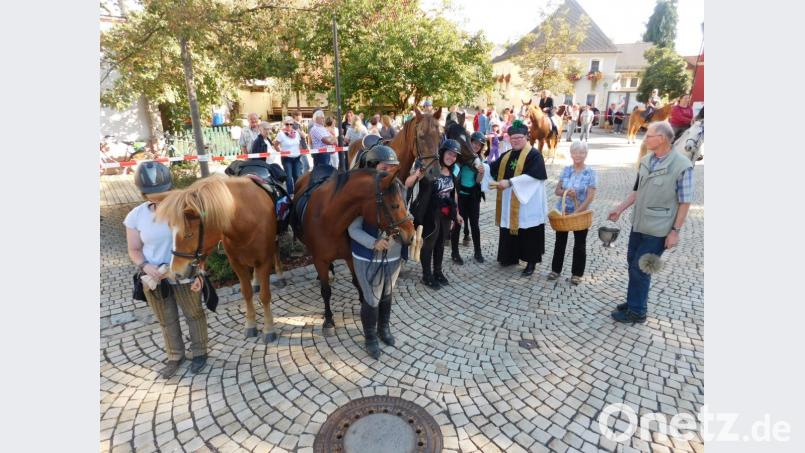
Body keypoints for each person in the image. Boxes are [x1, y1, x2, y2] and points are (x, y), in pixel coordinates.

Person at [126, 162, 208, 377]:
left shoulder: (185, 210)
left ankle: (199, 352)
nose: (158, 198)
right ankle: (175, 356)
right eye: (152, 195)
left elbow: (198, 243)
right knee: (166, 318)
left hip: (183, 272)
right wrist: (145, 266)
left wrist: (200, 271)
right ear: (143, 193)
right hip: (154, 277)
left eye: (162, 193)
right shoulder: (136, 216)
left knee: (194, 314)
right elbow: (134, 249)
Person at [607, 121, 694, 323]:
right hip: (639, 224)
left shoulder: (682, 166)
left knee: (642, 267)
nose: (645, 138)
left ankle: (637, 312)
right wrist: (619, 208)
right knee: (632, 264)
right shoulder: (646, 160)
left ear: (662, 138)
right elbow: (637, 191)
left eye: (649, 135)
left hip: (659, 229)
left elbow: (685, 202)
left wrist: (675, 231)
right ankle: (633, 302)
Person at [347, 145, 407, 360]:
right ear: (372, 167)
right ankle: (370, 337)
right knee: (371, 298)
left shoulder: (399, 188)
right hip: (367, 256)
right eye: (385, 167)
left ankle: (384, 329)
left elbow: (403, 218)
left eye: (393, 167)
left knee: (387, 295)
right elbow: (352, 229)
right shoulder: (363, 193)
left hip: (393, 254)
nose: (390, 170)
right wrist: (373, 242)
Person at [489, 120, 548, 277]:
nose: (514, 141)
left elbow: (534, 178)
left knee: (529, 230)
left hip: (528, 202)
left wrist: (509, 182)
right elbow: (492, 168)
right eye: (512, 138)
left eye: (518, 138)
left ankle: (531, 262)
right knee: (510, 228)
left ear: (526, 137)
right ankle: (509, 256)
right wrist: (482, 166)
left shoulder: (535, 156)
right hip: (510, 201)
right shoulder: (507, 155)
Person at [407, 139, 463, 289]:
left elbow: (454, 193)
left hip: (446, 214)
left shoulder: (453, 171)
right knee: (428, 245)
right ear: (442, 152)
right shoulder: (431, 168)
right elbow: (408, 183)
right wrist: (418, 173)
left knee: (440, 245)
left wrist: (456, 214)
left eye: (454, 155)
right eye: (449, 154)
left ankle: (437, 272)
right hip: (430, 213)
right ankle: (427, 275)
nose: (451, 157)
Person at [548, 141, 597, 285]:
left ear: (586, 154)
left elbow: (590, 197)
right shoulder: (566, 170)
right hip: (563, 212)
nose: (578, 155)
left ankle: (577, 274)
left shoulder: (590, 173)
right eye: (575, 152)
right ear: (571, 154)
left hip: (580, 214)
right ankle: (555, 270)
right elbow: (557, 191)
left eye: (581, 152)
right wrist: (566, 192)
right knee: (560, 242)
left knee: (580, 244)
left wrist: (576, 212)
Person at [451, 131, 487, 264]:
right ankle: (455, 252)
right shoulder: (460, 158)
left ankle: (478, 251)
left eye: (479, 144)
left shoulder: (480, 160)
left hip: (473, 196)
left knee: (474, 224)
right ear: (469, 142)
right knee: (458, 225)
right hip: (459, 196)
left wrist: (481, 173)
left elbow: (478, 181)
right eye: (474, 142)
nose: (477, 146)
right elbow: (453, 177)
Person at [275, 116, 304, 195]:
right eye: (287, 124)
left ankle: (298, 193)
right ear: (284, 124)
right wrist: (281, 152)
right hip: (287, 159)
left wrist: (299, 151)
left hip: (297, 158)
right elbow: (275, 145)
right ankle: (290, 195)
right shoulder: (281, 134)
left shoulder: (296, 133)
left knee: (297, 176)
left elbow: (299, 143)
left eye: (291, 124)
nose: (289, 126)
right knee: (288, 177)